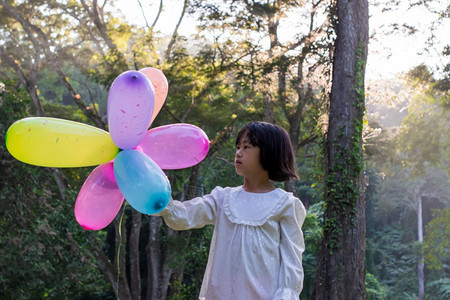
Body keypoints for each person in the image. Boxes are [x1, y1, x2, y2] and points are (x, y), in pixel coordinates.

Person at [154, 121, 306, 300]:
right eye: (238, 147)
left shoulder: (286, 205)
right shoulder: (223, 198)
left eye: (247, 147)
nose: (238, 153)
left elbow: (291, 265)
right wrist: (158, 197)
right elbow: (184, 216)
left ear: (269, 152)